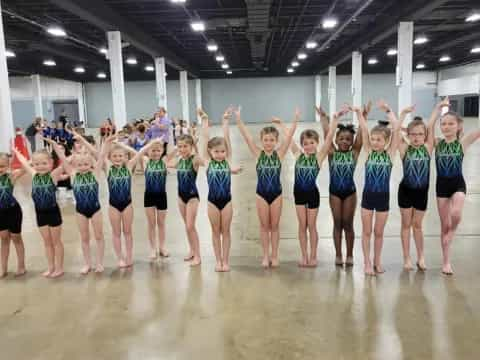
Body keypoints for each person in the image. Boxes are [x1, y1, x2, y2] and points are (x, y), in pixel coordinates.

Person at [277, 106, 348, 267]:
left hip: (312, 195)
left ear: (317, 143)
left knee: (311, 226)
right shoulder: (298, 155)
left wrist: (335, 119)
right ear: (302, 144)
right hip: (299, 195)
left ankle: (314, 256)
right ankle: (304, 256)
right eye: (305, 143)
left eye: (311, 143)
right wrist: (282, 124)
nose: (308, 146)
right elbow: (289, 139)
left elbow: (329, 137)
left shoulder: (319, 156)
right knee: (302, 226)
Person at [236, 107, 298, 268]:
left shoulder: (280, 153)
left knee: (275, 226)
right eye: (265, 140)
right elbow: (247, 137)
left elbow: (290, 136)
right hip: (261, 195)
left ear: (276, 141)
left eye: (271, 140)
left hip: (276, 194)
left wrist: (293, 119)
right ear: (261, 140)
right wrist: (238, 119)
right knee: (264, 227)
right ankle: (265, 255)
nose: (268, 143)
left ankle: (275, 255)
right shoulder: (258, 154)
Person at [44, 133, 105, 274]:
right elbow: (62, 158)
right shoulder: (73, 174)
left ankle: (100, 263)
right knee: (84, 238)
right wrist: (54, 144)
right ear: (74, 165)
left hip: (95, 209)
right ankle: (87, 263)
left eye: (86, 164)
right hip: (80, 211)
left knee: (99, 235)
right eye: (80, 164)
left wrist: (88, 141)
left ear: (90, 163)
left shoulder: (95, 173)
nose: (83, 167)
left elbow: (101, 157)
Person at [354, 100, 402, 276]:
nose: (374, 142)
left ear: (386, 141)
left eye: (378, 140)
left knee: (379, 233)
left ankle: (377, 261)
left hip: (383, 199)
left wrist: (389, 111)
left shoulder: (390, 154)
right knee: (366, 232)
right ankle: (367, 262)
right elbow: (364, 130)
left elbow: (396, 130)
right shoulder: (368, 151)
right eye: (373, 139)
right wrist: (360, 114)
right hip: (367, 198)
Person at [317, 104, 367, 266]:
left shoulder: (354, 152)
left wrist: (363, 116)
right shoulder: (331, 153)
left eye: (348, 139)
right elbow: (327, 133)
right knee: (337, 222)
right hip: (334, 192)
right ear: (336, 140)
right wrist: (324, 118)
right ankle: (338, 255)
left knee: (348, 223)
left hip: (350, 192)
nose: (345, 141)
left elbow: (361, 136)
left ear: (352, 142)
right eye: (341, 139)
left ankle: (350, 255)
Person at [434, 101, 480, 275]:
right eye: (443, 124)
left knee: (456, 213)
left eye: (451, 123)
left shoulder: (463, 142)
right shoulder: (437, 143)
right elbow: (420, 133)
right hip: (441, 187)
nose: (446, 127)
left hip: (457, 184)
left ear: (458, 125)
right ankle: (446, 262)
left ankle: (452, 233)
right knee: (443, 226)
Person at [397, 101, 443, 271]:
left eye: (419, 134)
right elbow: (396, 133)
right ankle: (407, 258)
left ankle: (421, 257)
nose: (416, 137)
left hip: (422, 193)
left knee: (417, 226)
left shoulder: (428, 148)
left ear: (425, 135)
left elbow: (430, 126)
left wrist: (437, 109)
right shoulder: (404, 149)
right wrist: (402, 114)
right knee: (405, 225)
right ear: (408, 135)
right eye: (413, 134)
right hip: (406, 192)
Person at [104, 136, 163, 268]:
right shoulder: (108, 168)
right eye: (115, 156)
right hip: (113, 205)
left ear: (125, 157)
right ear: (110, 157)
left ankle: (129, 256)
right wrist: (107, 144)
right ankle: (120, 257)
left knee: (128, 231)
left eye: (120, 156)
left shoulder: (129, 166)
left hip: (127, 205)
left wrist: (152, 143)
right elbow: (100, 155)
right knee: (116, 232)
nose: (118, 158)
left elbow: (141, 152)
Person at [12, 148, 66, 278]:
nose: (40, 166)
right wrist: (16, 152)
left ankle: (59, 268)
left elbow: (65, 163)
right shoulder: (34, 174)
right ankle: (51, 267)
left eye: (44, 163)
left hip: (53, 212)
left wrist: (61, 151)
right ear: (33, 165)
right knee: (47, 242)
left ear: (51, 163)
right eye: (36, 164)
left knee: (56, 241)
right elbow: (24, 163)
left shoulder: (53, 175)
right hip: (40, 213)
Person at [199, 108, 242, 272]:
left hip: (227, 202)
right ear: (210, 152)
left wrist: (225, 121)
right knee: (215, 231)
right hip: (212, 202)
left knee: (226, 231)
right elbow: (204, 139)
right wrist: (204, 121)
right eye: (216, 151)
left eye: (222, 151)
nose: (220, 154)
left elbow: (227, 138)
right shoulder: (207, 162)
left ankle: (226, 260)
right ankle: (218, 261)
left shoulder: (227, 160)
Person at [167, 134, 203, 266]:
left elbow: (201, 158)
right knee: (187, 227)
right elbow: (166, 161)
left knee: (190, 226)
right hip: (180, 196)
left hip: (192, 197)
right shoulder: (179, 160)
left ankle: (198, 256)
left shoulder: (194, 160)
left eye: (185, 146)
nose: (182, 149)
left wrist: (196, 146)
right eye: (180, 146)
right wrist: (176, 150)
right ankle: (192, 250)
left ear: (191, 146)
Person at [0, 153, 26, 277]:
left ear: (8, 166)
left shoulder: (11, 177)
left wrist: (18, 158)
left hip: (13, 211)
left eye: (2, 166)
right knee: (4, 238)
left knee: (16, 238)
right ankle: (3, 268)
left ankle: (21, 266)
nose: (0, 169)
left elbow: (26, 168)